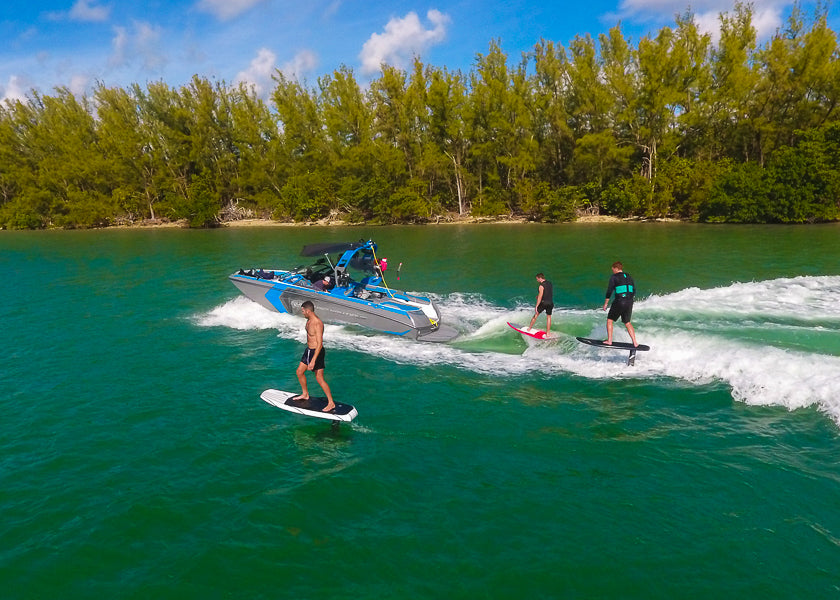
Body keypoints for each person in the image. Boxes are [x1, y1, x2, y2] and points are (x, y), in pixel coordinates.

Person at [291, 301, 335, 412]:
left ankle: (331, 403)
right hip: (309, 351)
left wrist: (313, 361)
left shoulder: (317, 323)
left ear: (308, 311)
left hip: (317, 352)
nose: (302, 313)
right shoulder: (309, 320)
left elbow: (319, 344)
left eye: (303, 311)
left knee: (319, 378)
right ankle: (305, 394)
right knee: (299, 372)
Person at [602, 261, 638, 347]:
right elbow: (634, 290)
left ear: (616, 268)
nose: (612, 271)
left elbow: (609, 290)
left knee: (610, 320)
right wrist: (629, 299)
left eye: (613, 269)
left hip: (620, 301)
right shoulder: (629, 276)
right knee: (627, 322)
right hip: (629, 301)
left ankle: (609, 340)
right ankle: (635, 342)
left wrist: (606, 303)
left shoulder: (614, 277)